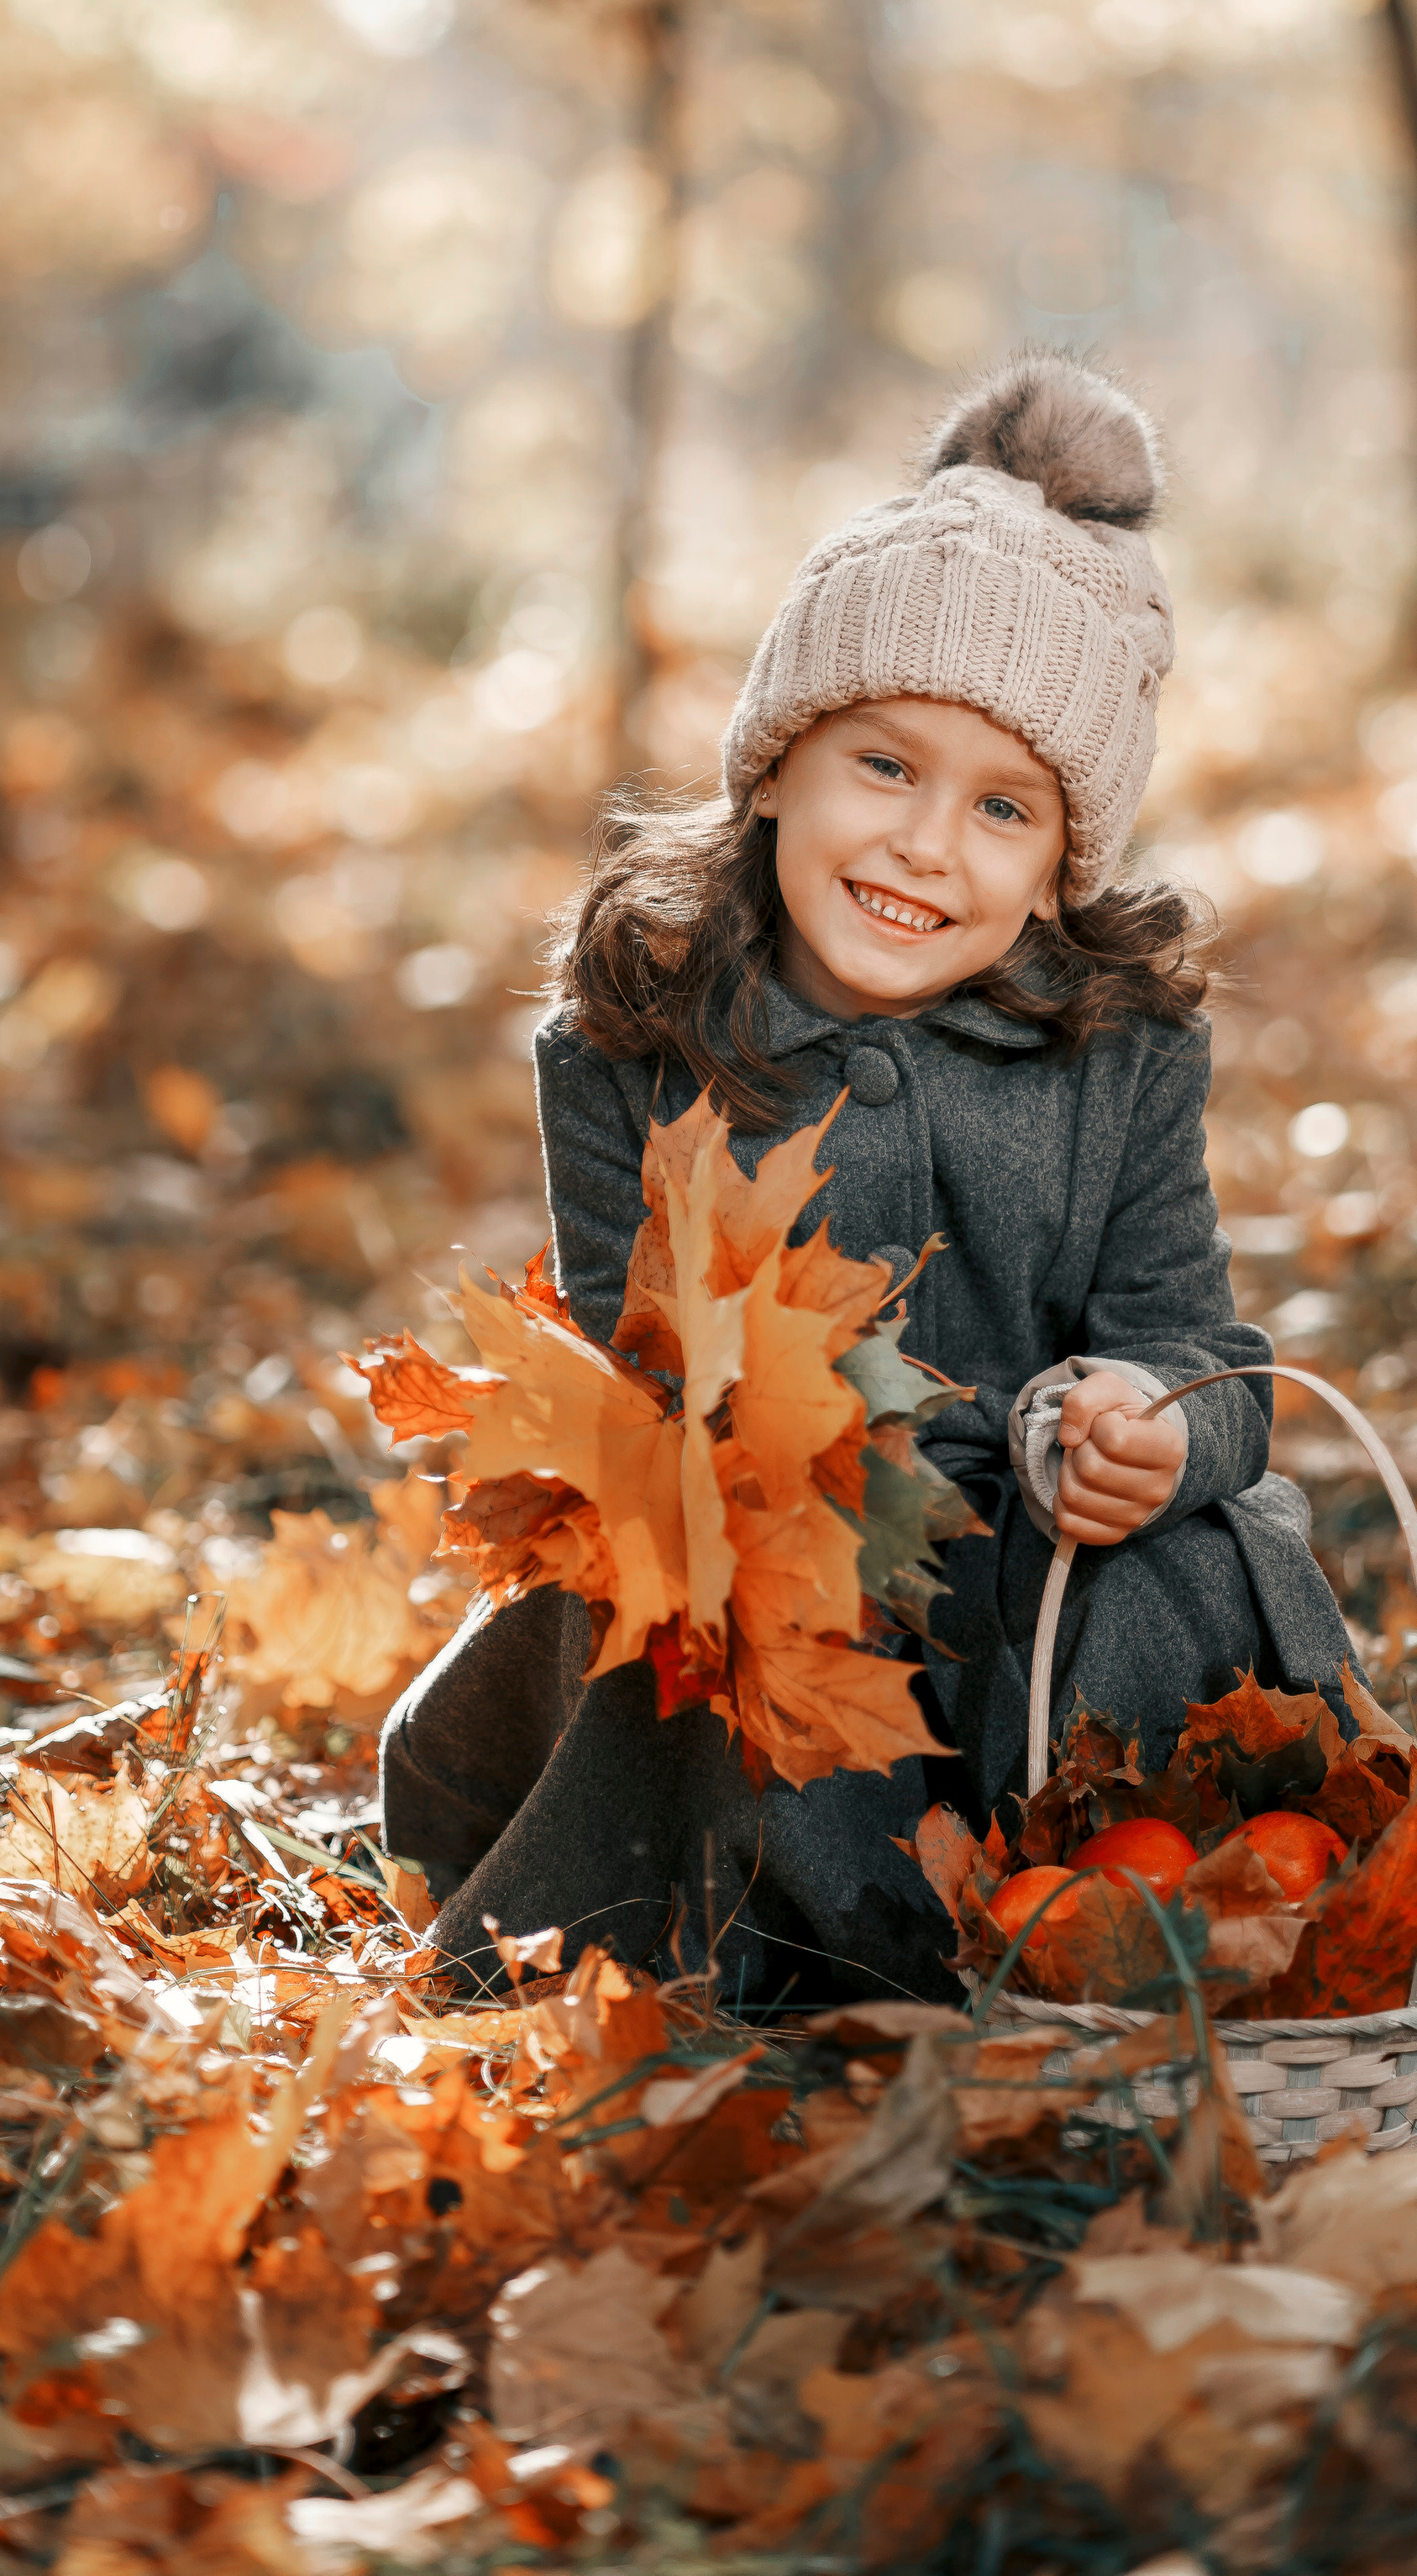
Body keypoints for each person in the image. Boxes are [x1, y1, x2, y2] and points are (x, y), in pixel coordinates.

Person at [382, 350, 1357, 2012]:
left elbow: (1211, 1359)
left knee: (1196, 1557)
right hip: (774, 1544)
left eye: (1000, 809)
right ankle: (769, 1964)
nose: (924, 844)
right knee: (693, 1605)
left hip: (1030, 1598)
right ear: (773, 766)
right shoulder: (634, 1031)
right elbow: (650, 1379)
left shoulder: (1116, 1055)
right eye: (880, 767)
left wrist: (1145, 1421)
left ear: (1060, 872)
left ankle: (1089, 1930)